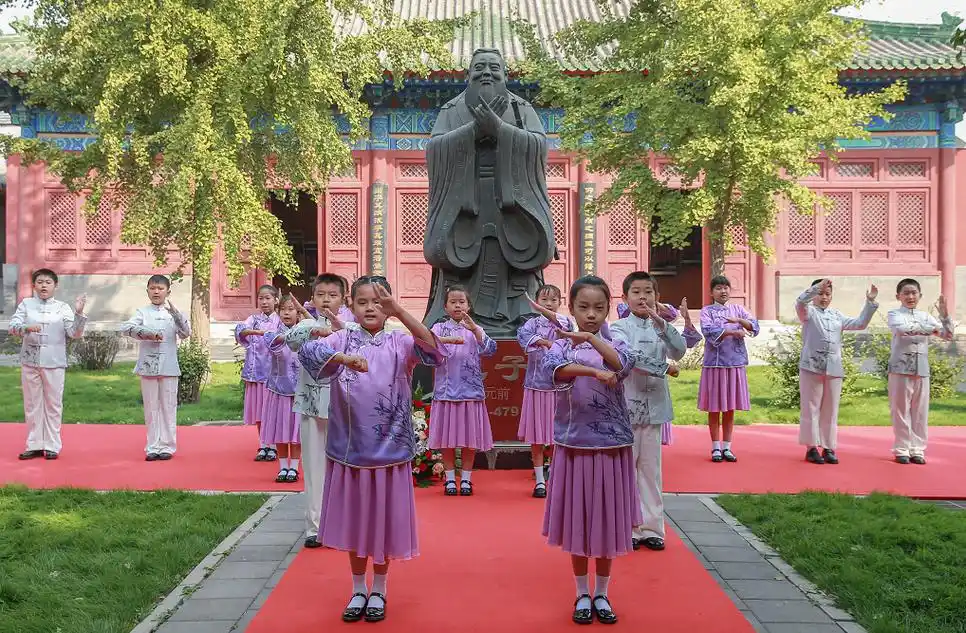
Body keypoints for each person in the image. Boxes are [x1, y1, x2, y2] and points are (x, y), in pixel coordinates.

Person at [298, 276, 443, 623]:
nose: (370, 309)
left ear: (387, 305)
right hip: (350, 449)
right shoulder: (343, 336)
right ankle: (358, 587)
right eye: (362, 302)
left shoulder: (398, 341)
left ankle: (379, 587)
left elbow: (435, 350)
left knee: (381, 524)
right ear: (352, 304)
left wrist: (401, 312)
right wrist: (343, 358)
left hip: (390, 450)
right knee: (356, 524)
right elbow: (308, 353)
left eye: (378, 303)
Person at [542, 275, 639, 625]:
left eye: (599, 308)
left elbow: (620, 364)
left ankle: (602, 593)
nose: (592, 314)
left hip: (612, 445)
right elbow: (555, 370)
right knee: (579, 521)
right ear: (571, 308)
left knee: (608, 521)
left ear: (609, 309)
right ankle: (582, 592)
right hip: (574, 444)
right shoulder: (560, 345)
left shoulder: (618, 342)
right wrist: (589, 367)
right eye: (583, 307)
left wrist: (593, 342)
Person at [611, 272, 686, 553]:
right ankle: (628, 527)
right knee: (627, 470)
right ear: (625, 298)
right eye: (636, 292)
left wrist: (663, 325)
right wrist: (664, 368)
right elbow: (629, 357)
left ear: (657, 296)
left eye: (648, 292)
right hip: (626, 408)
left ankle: (653, 529)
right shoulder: (618, 328)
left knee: (651, 471)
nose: (643, 297)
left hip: (654, 408)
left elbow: (679, 351)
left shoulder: (662, 327)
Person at [284, 273, 354, 548]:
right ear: (312, 298)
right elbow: (289, 340)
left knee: (344, 467)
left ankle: (344, 524)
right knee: (313, 468)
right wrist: (314, 330)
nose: (326, 299)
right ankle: (315, 526)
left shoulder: (349, 327)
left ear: (343, 299)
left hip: (344, 407)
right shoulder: (305, 326)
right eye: (321, 294)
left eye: (332, 295)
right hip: (312, 407)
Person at [796, 279, 878, 464]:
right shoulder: (808, 313)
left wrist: (870, 303)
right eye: (820, 293)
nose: (824, 298)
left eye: (827, 294)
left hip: (833, 366)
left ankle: (828, 447)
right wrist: (815, 288)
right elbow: (800, 302)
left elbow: (860, 324)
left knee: (830, 409)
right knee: (811, 407)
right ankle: (811, 448)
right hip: (811, 365)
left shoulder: (836, 315)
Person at [10, 268, 87, 460]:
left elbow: (74, 334)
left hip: (54, 362)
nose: (44, 285)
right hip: (30, 361)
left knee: (53, 404)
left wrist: (79, 313)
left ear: (55, 286)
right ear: (34, 285)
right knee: (32, 403)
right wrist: (26, 327)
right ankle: (34, 444)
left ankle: (52, 445)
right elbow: (13, 326)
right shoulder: (26, 304)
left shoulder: (63, 308)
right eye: (40, 282)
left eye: (48, 282)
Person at [428, 285, 497, 496]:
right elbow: (427, 351)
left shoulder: (476, 329)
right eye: (453, 302)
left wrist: (475, 330)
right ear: (445, 306)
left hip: (471, 392)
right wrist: (443, 341)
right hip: (446, 391)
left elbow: (491, 350)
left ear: (469, 305)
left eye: (462, 302)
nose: (458, 305)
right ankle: (450, 479)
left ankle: (466, 479)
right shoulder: (438, 329)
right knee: (447, 439)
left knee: (470, 439)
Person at [120, 274, 191, 461]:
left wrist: (176, 314)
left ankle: (167, 446)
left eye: (160, 288)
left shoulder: (174, 314)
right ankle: (152, 446)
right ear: (147, 291)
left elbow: (186, 333)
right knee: (151, 407)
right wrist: (148, 333)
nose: (156, 291)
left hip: (169, 366)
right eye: (152, 288)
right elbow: (126, 328)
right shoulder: (142, 312)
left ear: (168, 291)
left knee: (168, 406)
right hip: (148, 365)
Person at [886, 278, 954, 465]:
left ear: (920, 295)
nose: (910, 296)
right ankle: (901, 449)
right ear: (898, 296)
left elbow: (947, 336)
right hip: (900, 367)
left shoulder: (926, 316)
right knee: (900, 410)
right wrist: (931, 329)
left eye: (914, 293)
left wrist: (945, 316)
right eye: (906, 293)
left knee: (920, 412)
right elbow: (902, 330)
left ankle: (917, 449)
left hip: (921, 369)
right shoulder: (894, 314)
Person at [516, 284, 573, 497]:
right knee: (537, 436)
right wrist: (545, 341)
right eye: (543, 300)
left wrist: (549, 341)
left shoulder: (565, 322)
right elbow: (524, 338)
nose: (549, 304)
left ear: (560, 302)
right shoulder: (530, 324)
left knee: (558, 435)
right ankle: (539, 480)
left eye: (553, 300)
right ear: (536, 302)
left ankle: (557, 476)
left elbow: (568, 335)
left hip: (559, 387)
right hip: (536, 386)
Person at [699, 275, 759, 463]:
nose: (723, 291)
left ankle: (727, 447)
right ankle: (715, 447)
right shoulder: (706, 311)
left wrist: (740, 321)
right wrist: (732, 331)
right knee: (715, 407)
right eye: (718, 288)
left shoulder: (738, 310)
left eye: (726, 287)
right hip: (714, 365)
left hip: (734, 364)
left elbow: (754, 327)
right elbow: (708, 331)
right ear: (711, 292)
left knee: (730, 407)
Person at [235, 285, 282, 461]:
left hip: (274, 374)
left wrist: (260, 333)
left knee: (272, 411)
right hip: (256, 373)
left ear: (276, 300)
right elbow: (241, 329)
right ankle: (263, 445)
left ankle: (275, 445)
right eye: (261, 298)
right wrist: (258, 332)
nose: (264, 302)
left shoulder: (280, 320)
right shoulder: (253, 319)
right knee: (259, 412)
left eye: (268, 298)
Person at [263, 295, 303, 482]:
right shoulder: (271, 333)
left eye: (291, 309)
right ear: (278, 313)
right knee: (280, 428)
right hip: (278, 389)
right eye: (284, 309)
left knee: (296, 431)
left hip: (298, 390)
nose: (287, 313)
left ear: (298, 313)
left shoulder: (305, 333)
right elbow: (274, 347)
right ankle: (282, 467)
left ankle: (294, 467)